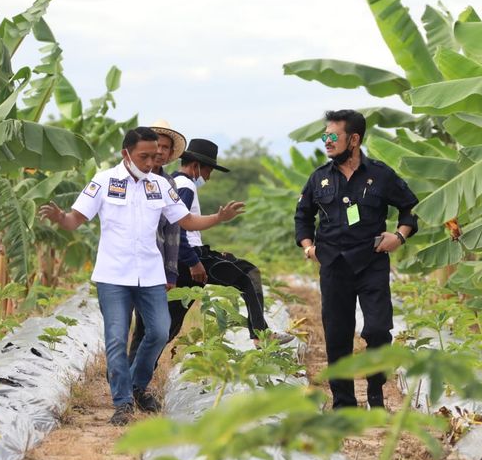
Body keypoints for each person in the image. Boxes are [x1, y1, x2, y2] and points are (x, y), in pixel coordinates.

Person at [39, 127, 243, 425]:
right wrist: (60, 218)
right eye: (143, 156)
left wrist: (217, 218)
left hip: (150, 275)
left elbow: (185, 220)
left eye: (154, 156)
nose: (150, 162)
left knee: (159, 331)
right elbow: (74, 220)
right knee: (116, 339)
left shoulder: (161, 185)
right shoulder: (104, 181)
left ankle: (136, 384)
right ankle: (122, 403)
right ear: (126, 154)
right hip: (113, 275)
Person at [294, 109, 418, 409]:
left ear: (354, 139)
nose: (327, 141)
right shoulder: (319, 178)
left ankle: (376, 394)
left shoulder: (380, 175)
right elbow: (303, 216)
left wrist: (398, 237)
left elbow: (411, 210)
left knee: (377, 329)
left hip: (371, 263)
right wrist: (308, 246)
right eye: (325, 136)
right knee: (337, 335)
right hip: (333, 266)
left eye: (332, 136)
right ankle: (344, 404)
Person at [169, 138, 293, 346]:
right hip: (191, 256)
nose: (208, 178)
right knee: (248, 275)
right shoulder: (186, 186)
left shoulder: (172, 181)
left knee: (171, 323)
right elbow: (179, 226)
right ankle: (260, 335)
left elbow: (186, 223)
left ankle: (136, 372)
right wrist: (193, 261)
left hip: (183, 257)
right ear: (197, 166)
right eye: (209, 172)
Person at [128, 120, 186, 366]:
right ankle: (126, 379)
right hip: (126, 263)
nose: (161, 152)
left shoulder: (168, 184)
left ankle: (136, 381)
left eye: (166, 148)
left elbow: (173, 232)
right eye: (157, 146)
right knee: (128, 327)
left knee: (150, 328)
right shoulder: (129, 178)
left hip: (155, 267)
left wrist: (170, 272)